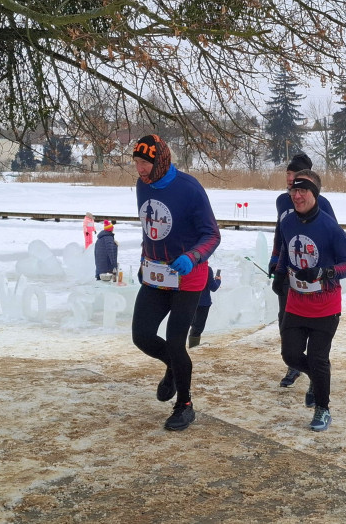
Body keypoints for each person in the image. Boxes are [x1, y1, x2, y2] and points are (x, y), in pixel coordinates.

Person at [130, 134, 220, 431]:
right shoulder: (143, 185)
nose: (140, 169)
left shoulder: (189, 189)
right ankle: (172, 365)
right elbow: (150, 230)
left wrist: (192, 257)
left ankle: (184, 404)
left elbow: (212, 235)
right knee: (141, 335)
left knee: (175, 342)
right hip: (155, 275)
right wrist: (145, 261)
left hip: (187, 278)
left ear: (160, 161)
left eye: (145, 163)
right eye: (137, 163)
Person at [276, 170, 346, 430]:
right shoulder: (287, 222)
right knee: (290, 355)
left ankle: (323, 408)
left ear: (315, 194)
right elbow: (284, 252)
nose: (297, 196)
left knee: (318, 358)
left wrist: (325, 272)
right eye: (293, 191)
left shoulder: (329, 226)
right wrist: (278, 274)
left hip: (326, 306)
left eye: (303, 191)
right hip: (296, 303)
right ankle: (315, 375)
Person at [268, 152, 337, 389]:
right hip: (288, 268)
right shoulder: (282, 201)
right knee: (285, 317)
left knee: (313, 324)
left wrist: (326, 271)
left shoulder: (322, 204)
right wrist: (276, 259)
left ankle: (316, 368)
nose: (290, 179)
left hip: (314, 273)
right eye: (288, 174)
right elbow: (281, 233)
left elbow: (332, 237)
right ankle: (294, 365)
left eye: (295, 174)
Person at [188, 266, 221, 348]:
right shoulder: (206, 268)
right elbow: (213, 287)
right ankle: (193, 348)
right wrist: (218, 280)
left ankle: (192, 347)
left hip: (188, 300)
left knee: (192, 324)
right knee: (198, 328)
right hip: (203, 302)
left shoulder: (188, 267)